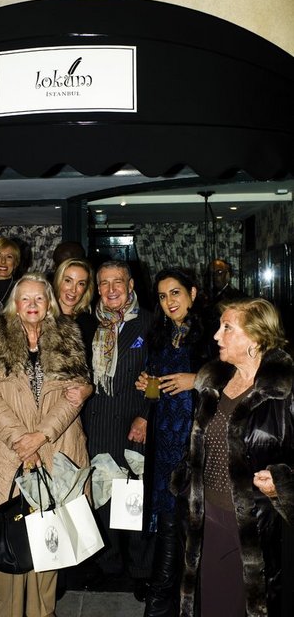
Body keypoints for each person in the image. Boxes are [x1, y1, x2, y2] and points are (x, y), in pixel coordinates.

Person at [0, 272, 92, 617]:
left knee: (49, 545)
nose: (32, 304)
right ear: (15, 303)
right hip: (7, 456)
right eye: (25, 298)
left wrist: (40, 437)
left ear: (49, 302)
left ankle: (43, 613)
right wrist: (21, 441)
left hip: (57, 450)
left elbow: (74, 395)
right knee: (8, 548)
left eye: (39, 297)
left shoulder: (67, 334)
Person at [171, 298, 294, 617]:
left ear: (256, 337)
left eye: (227, 328)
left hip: (256, 527)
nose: (216, 335)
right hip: (205, 517)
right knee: (210, 605)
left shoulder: (284, 390)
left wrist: (281, 484)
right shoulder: (214, 380)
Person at [136, 267, 208, 617]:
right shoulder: (160, 334)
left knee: (192, 529)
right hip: (164, 439)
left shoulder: (212, 334)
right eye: (163, 296)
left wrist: (197, 379)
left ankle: (176, 604)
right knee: (167, 523)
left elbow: (237, 379)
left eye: (175, 293)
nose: (169, 302)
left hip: (196, 444)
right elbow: (157, 383)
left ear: (192, 293)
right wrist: (146, 383)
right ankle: (160, 604)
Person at [81, 260, 154, 601]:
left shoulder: (149, 323)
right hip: (95, 423)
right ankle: (108, 565)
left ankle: (140, 570)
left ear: (131, 285)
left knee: (131, 501)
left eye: (118, 282)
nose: (111, 289)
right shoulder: (87, 323)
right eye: (104, 283)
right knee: (102, 499)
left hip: (131, 425)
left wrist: (146, 415)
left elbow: (158, 374)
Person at [53, 257, 97, 364]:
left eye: (81, 284)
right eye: (68, 281)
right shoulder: (41, 316)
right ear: (58, 281)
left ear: (86, 289)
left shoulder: (88, 324)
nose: (73, 290)